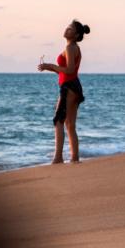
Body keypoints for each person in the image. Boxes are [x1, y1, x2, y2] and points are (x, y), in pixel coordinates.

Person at [38, 20, 89, 164]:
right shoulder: (74, 47)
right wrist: (49, 68)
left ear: (76, 35)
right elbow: (66, 72)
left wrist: (52, 65)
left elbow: (70, 70)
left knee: (58, 121)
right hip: (74, 86)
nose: (67, 29)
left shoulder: (70, 47)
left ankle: (58, 157)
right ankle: (74, 157)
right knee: (70, 125)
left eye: (70, 29)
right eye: (67, 27)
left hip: (68, 87)